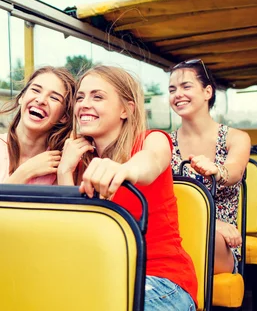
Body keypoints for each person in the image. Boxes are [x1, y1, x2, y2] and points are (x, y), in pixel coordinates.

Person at [58, 66, 198, 310]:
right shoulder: (80, 163)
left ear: (126, 109)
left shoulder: (151, 140)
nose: (84, 104)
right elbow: (73, 238)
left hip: (162, 281)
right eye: (80, 97)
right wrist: (64, 172)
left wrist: (125, 170)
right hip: (102, 278)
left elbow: (152, 160)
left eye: (97, 96)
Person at [168, 59, 251, 274]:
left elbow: (234, 172)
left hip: (220, 240)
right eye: (172, 89)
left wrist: (217, 171)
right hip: (173, 233)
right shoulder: (163, 143)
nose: (178, 94)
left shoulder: (236, 138)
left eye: (186, 86)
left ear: (207, 92)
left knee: (206, 236)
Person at [0, 66, 75, 184]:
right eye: (36, 90)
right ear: (22, 97)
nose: (41, 100)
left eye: (54, 98)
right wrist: (26, 171)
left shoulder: (62, 163)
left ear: (64, 117)